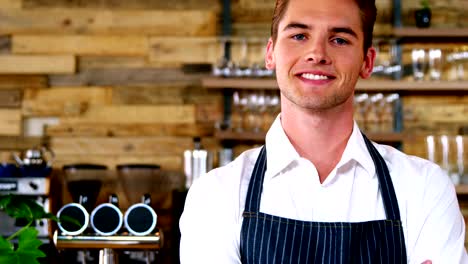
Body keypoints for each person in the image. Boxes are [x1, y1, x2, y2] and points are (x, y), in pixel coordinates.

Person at [179, 0, 468, 262]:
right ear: (271, 54)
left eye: (340, 39)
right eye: (299, 36)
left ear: (367, 62)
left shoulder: (424, 188)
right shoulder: (215, 195)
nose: (317, 53)